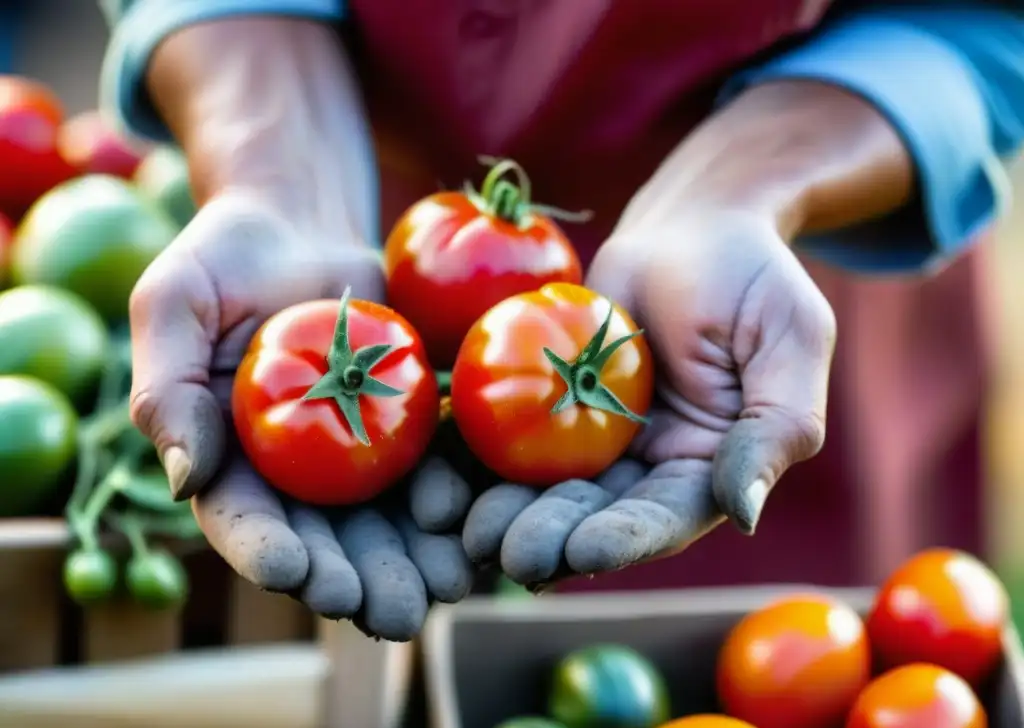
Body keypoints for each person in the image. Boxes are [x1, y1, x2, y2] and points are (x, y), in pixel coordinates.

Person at [98, 0, 1024, 641]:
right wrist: (276, 165)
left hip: (760, 302)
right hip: (344, 230)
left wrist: (743, 190)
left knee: (782, 666)